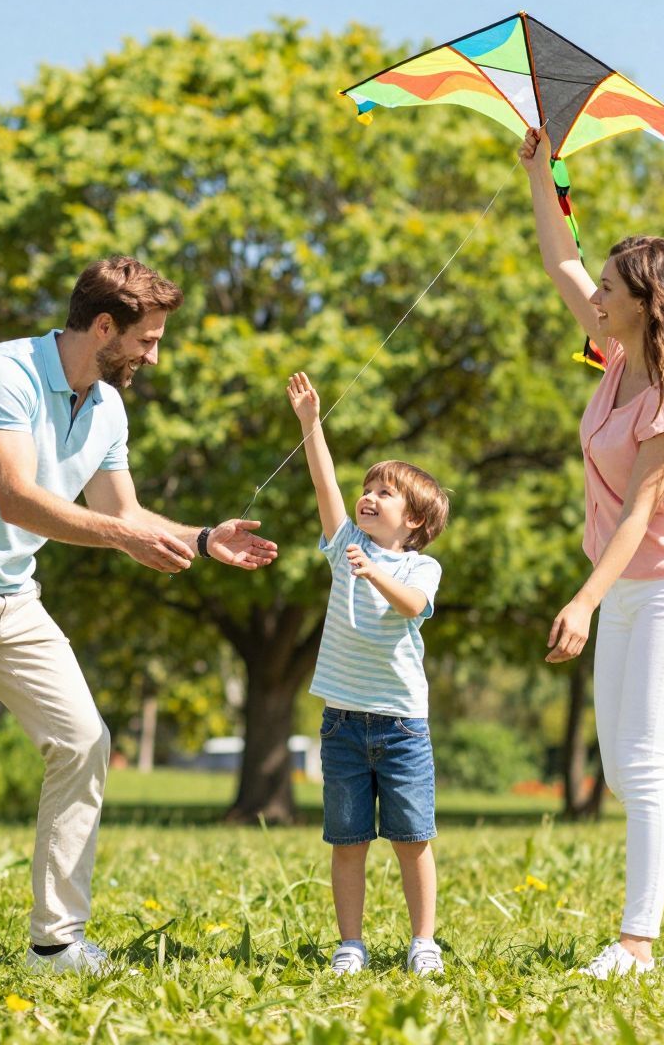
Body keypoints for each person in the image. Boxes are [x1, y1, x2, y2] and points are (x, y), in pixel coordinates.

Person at [0, 257, 279, 981]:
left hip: (12, 591)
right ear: (104, 326)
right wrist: (126, 537)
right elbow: (17, 498)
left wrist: (199, 538)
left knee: (83, 741)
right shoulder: (0, 374)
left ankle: (55, 943)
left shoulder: (106, 406)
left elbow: (122, 514)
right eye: (148, 340)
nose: (153, 356)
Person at [519, 128, 664, 978]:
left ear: (648, 304)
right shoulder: (619, 355)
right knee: (629, 772)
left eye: (612, 289)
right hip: (626, 590)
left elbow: (637, 520)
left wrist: (582, 600)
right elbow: (560, 261)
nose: (598, 298)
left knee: (645, 767)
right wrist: (541, 173)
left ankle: (637, 943)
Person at [286, 372, 450, 977]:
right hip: (343, 725)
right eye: (369, 488)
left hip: (403, 727)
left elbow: (410, 606)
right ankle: (349, 943)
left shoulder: (421, 567)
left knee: (413, 840)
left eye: (387, 493)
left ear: (415, 522)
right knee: (347, 842)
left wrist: (372, 572)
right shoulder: (345, 542)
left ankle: (422, 942)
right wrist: (311, 423)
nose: (370, 496)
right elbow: (324, 483)